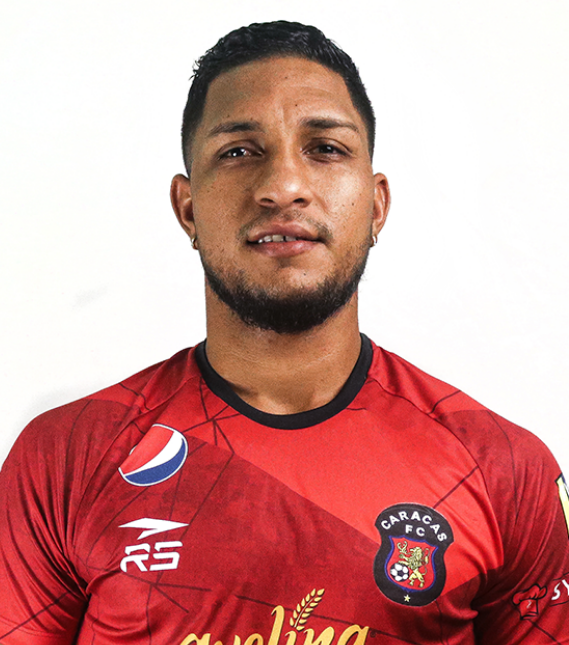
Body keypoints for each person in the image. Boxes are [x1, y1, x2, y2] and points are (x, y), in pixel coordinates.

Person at [0, 20, 568, 645]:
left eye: (325, 148)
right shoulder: (64, 459)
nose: (283, 187)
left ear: (377, 205)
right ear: (187, 209)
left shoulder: (505, 471)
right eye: (239, 152)